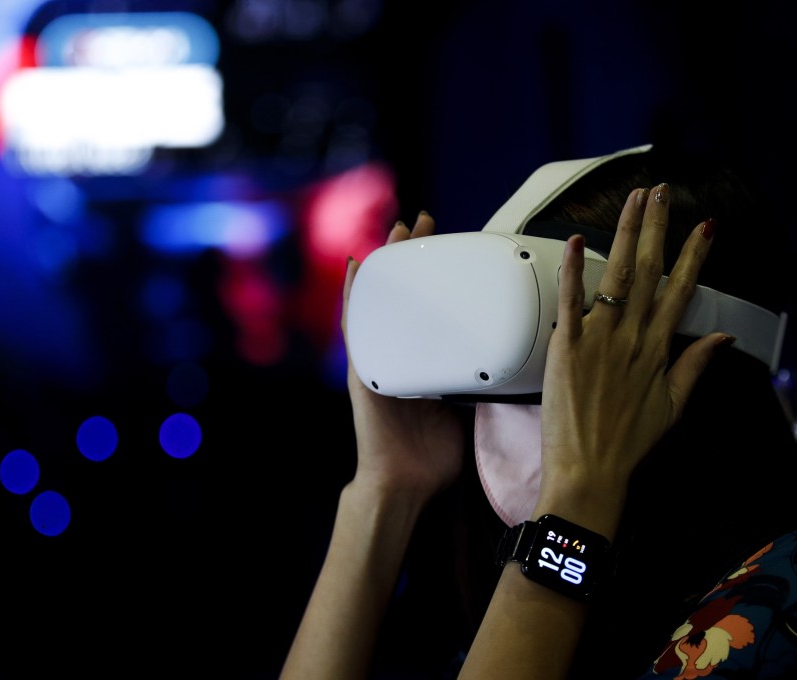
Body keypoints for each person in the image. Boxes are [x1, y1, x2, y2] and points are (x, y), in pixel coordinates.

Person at [278, 144, 797, 679]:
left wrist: (576, 501)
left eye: (588, 352)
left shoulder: (773, 611)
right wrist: (388, 486)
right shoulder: (517, 608)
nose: (539, 393)